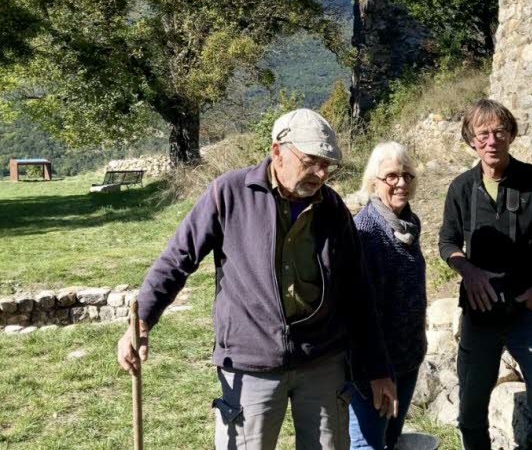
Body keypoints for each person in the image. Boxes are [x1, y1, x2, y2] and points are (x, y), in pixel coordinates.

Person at [116, 108, 398, 450]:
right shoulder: (228, 193)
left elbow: (358, 291)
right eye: (311, 160)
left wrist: (378, 368)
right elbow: (178, 258)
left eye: (327, 164)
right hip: (250, 363)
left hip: (322, 361)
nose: (321, 173)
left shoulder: (332, 208)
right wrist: (142, 320)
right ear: (277, 150)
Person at [439, 99, 532, 450]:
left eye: (499, 131)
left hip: (530, 311)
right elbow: (447, 241)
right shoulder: (462, 188)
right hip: (480, 316)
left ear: (511, 134)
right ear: (471, 140)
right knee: (470, 413)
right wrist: (468, 271)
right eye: (483, 134)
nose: (491, 140)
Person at [347, 142, 426, 449]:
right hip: (374, 368)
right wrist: (377, 372)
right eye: (392, 176)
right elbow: (358, 312)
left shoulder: (409, 224)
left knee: (390, 441)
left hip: (407, 358)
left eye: (407, 175)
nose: (402, 183)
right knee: (368, 444)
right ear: (373, 182)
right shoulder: (366, 231)